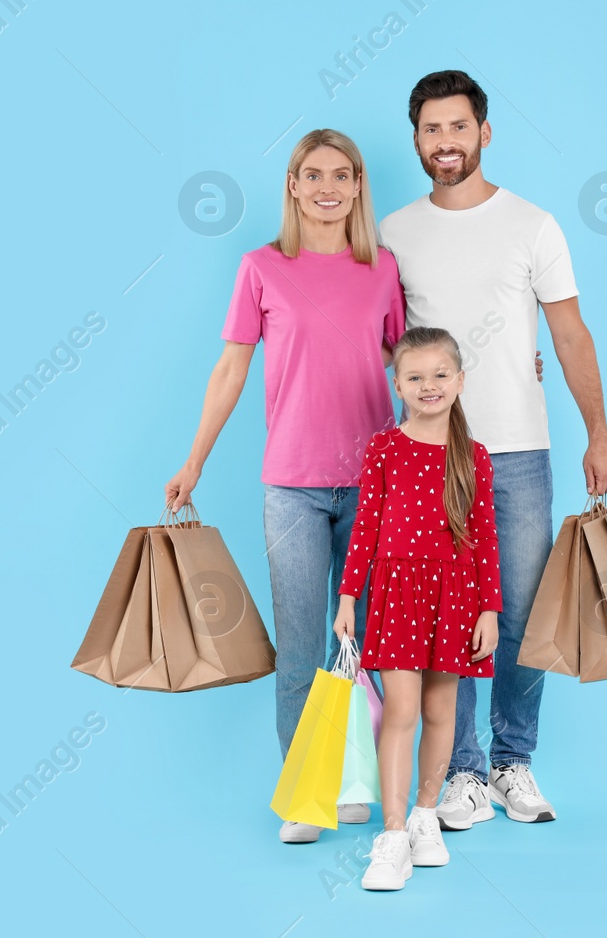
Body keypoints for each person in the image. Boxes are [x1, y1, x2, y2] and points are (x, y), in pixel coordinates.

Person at [378, 70, 607, 829]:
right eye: (430, 130)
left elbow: (569, 332)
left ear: (485, 132)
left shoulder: (533, 224)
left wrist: (598, 430)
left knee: (515, 611)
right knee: (446, 617)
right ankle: (463, 772)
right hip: (430, 457)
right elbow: (382, 344)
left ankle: (514, 758)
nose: (444, 143)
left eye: (457, 127)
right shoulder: (394, 232)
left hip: (516, 447)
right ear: (416, 140)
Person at [163, 129, 406, 845]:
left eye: (341, 174)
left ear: (359, 185)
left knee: (362, 644)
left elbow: (410, 364)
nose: (327, 186)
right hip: (293, 487)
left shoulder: (383, 269)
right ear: (294, 186)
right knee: (301, 649)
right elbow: (231, 370)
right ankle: (307, 793)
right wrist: (195, 460)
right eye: (312, 174)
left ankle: (359, 782)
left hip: (374, 484)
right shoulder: (261, 267)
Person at [333, 326, 500, 891]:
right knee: (400, 709)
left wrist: (489, 610)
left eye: (439, 375)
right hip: (398, 593)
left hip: (455, 598)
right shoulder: (383, 448)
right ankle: (394, 833)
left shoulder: (473, 456)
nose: (428, 386)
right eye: (415, 377)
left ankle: (427, 815)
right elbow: (366, 528)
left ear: (459, 379)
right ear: (397, 384)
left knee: (441, 709)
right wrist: (349, 597)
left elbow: (484, 538)